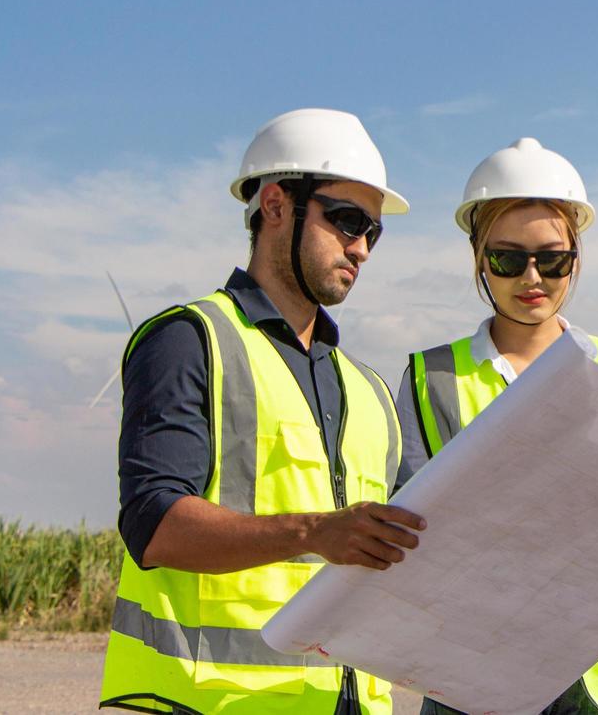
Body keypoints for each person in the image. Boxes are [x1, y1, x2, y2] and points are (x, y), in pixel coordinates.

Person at [100, 108, 425, 715]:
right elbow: (154, 523)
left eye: (373, 232)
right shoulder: (189, 338)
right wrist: (315, 532)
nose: (361, 248)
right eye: (347, 220)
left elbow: (419, 554)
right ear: (275, 205)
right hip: (207, 702)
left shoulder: (372, 391)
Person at [396, 138, 598, 715]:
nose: (532, 276)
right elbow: (410, 533)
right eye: (509, 259)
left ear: (577, 256)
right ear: (478, 257)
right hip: (470, 669)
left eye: (553, 258)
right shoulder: (428, 378)